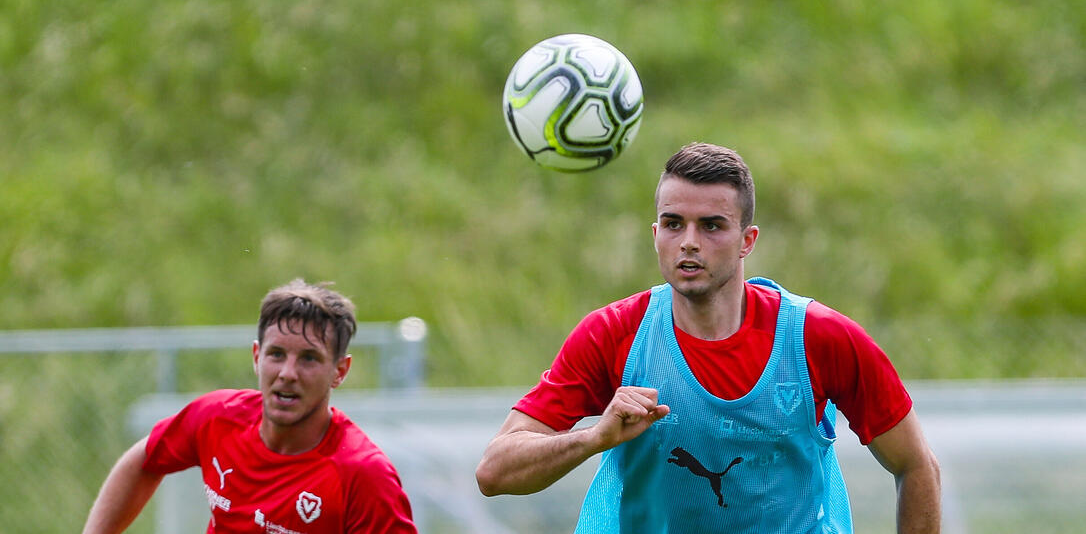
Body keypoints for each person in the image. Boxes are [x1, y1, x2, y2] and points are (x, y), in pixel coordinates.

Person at [475, 143, 941, 533]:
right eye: (674, 224)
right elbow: (495, 470)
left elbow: (917, 466)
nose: (689, 242)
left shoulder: (821, 338)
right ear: (656, 234)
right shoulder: (613, 334)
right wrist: (595, 438)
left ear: (748, 240)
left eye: (712, 225)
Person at [83, 279, 416, 534]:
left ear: (339, 372)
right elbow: (145, 460)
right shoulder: (218, 417)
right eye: (276, 355)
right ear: (257, 357)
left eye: (309, 358)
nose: (288, 374)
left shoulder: (363, 475)